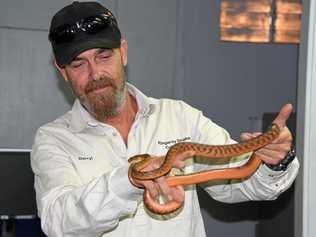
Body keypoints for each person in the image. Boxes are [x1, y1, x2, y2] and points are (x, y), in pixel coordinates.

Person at [31, 1, 299, 237]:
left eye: (103, 56)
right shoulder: (54, 139)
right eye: (78, 64)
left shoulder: (180, 117)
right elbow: (59, 223)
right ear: (63, 72)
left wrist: (273, 160)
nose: (95, 74)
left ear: (122, 52)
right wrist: (131, 179)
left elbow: (238, 180)